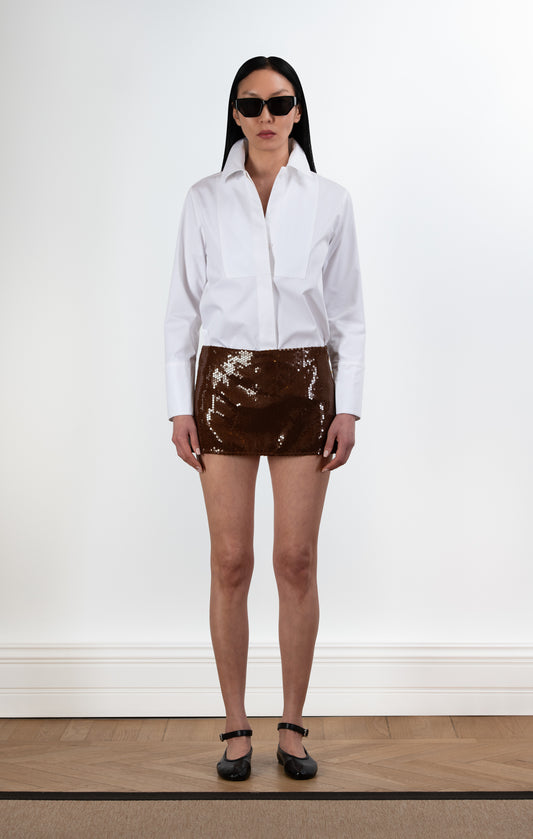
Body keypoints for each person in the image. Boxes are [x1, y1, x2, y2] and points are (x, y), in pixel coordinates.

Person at [164, 55, 365, 781]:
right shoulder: (203, 200)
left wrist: (348, 405)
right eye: (250, 105)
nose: (266, 117)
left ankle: (292, 723)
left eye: (279, 103)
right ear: (235, 115)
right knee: (230, 561)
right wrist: (179, 406)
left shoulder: (330, 200)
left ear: (297, 110)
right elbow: (182, 311)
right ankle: (234, 723)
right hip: (222, 384)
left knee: (295, 560)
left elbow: (348, 313)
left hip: (305, 385)